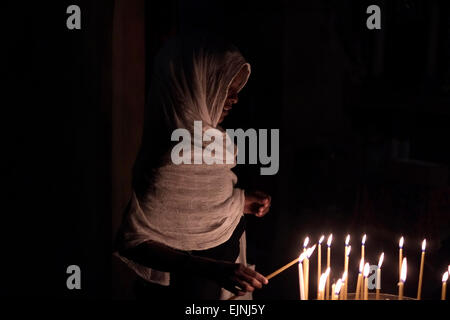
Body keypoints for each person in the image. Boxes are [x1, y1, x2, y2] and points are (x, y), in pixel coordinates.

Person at [114, 33, 272, 300]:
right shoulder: (170, 160)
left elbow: (193, 210)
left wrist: (239, 200)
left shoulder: (216, 146)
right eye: (224, 90)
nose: (233, 100)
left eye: (235, 92)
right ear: (193, 87)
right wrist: (213, 270)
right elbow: (134, 242)